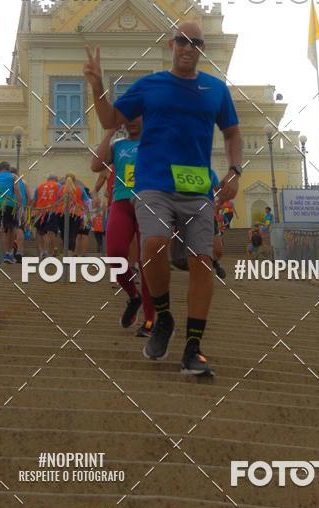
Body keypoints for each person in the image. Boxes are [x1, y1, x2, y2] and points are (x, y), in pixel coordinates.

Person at [84, 21, 242, 377]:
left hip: (197, 188)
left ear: (202, 49)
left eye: (196, 43)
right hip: (153, 183)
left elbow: (232, 132)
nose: (188, 47)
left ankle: (193, 347)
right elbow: (110, 118)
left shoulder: (216, 89)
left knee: (202, 261)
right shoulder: (150, 85)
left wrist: (234, 170)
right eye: (183, 41)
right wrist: (96, 85)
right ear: (171, 44)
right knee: (153, 244)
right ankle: (165, 315)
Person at [91, 121, 155, 337]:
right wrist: (109, 131)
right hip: (121, 203)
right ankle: (133, 296)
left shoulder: (156, 142)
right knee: (115, 255)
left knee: (148, 264)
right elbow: (95, 165)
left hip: (149, 204)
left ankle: (149, 320)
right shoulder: (118, 145)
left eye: (139, 116)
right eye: (129, 116)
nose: (133, 121)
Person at [31, 174, 62, 259]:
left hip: (40, 212)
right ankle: (50, 252)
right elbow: (62, 199)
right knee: (51, 232)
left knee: (40, 233)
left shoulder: (39, 186)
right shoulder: (59, 186)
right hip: (53, 211)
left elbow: (34, 200)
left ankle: (42, 252)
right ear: (56, 180)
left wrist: (32, 213)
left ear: (48, 180)